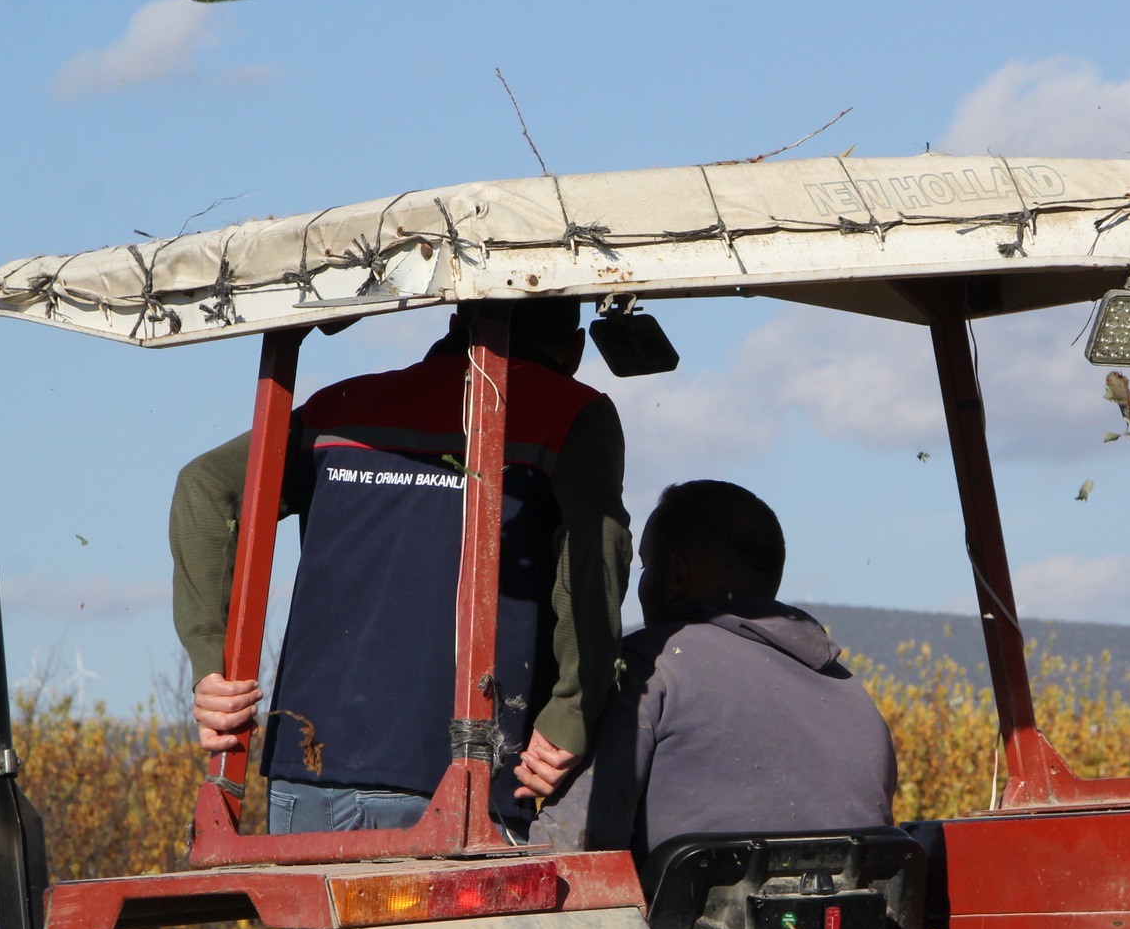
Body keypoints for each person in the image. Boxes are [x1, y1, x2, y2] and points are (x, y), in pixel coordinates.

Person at [170, 298, 631, 837]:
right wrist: (571, 712)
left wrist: (212, 668)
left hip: (309, 771)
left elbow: (205, 486)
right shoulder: (572, 413)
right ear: (574, 349)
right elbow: (595, 556)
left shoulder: (341, 406)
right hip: (464, 776)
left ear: (457, 322)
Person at [533, 480, 896, 856]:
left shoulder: (648, 670)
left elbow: (572, 851)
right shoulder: (854, 693)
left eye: (646, 565)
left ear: (676, 576)